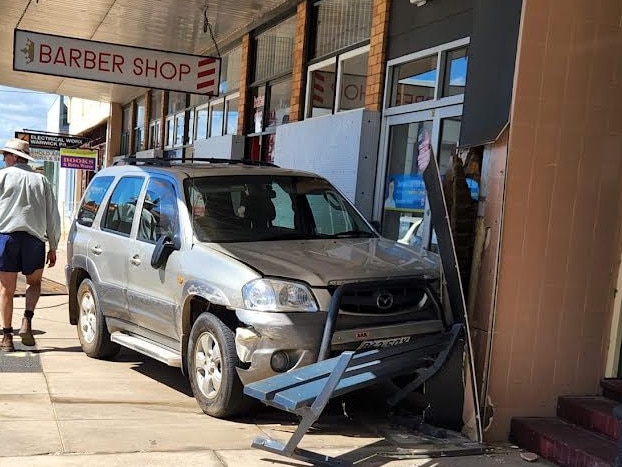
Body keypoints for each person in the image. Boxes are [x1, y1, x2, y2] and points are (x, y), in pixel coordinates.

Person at [0, 138, 61, 352]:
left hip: (6, 238)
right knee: (34, 284)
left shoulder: (2, 176)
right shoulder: (42, 181)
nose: (4, 158)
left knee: (6, 289)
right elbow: (52, 215)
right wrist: (53, 245)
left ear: (15, 157)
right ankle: (27, 320)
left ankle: (7, 338)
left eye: (6, 155)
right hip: (34, 240)